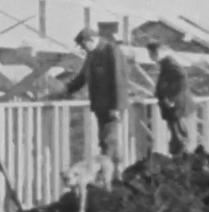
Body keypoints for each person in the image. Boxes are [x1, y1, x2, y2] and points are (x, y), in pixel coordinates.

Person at [51, 27, 131, 179]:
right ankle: (117, 172)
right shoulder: (92, 55)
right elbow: (83, 77)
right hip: (100, 105)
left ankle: (111, 175)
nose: (82, 49)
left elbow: (119, 79)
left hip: (111, 106)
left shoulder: (111, 51)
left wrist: (117, 107)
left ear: (91, 40)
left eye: (83, 45)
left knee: (108, 140)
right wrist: (66, 89)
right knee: (107, 139)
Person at [146, 41, 197, 156]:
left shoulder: (170, 65)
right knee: (176, 135)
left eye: (154, 53)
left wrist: (171, 99)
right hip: (174, 107)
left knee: (179, 136)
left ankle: (182, 159)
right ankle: (179, 157)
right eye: (151, 53)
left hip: (177, 107)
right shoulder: (165, 65)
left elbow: (182, 80)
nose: (152, 56)